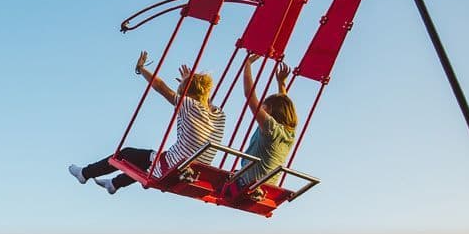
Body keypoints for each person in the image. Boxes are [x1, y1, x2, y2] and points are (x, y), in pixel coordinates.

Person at [69, 51, 226, 194]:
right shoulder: (219, 115)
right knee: (148, 159)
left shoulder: (189, 105)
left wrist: (141, 68)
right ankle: (114, 184)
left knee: (125, 154)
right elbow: (205, 100)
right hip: (197, 174)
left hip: (175, 169)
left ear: (186, 95)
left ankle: (84, 173)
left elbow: (160, 87)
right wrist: (190, 83)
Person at [233, 54, 298, 198]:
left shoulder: (270, 127)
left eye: (263, 106)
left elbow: (249, 95)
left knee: (222, 180)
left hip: (247, 184)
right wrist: (281, 84)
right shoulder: (289, 133)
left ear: (269, 111)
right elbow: (284, 106)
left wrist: (247, 64)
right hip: (268, 189)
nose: (260, 108)